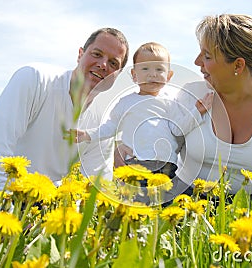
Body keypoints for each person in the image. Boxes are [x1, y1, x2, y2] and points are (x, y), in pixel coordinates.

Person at [117, 14, 252, 205]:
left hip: (251, 205)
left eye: (207, 56)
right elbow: (163, 137)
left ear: (238, 65)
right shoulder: (191, 94)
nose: (197, 61)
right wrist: (121, 145)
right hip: (187, 198)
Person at [0, 28, 129, 191]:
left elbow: (96, 186)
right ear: (80, 54)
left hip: (44, 203)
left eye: (113, 63)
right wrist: (3, 210)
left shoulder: (105, 121)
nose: (103, 65)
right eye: (97, 54)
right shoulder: (34, 79)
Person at [71, 42, 213, 202]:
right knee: (136, 203)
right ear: (134, 74)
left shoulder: (171, 103)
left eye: (159, 69)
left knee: (171, 201)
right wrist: (87, 134)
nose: (152, 75)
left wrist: (198, 112)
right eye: (145, 69)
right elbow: (110, 127)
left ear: (169, 76)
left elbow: (178, 129)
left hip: (166, 166)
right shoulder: (125, 102)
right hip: (136, 164)